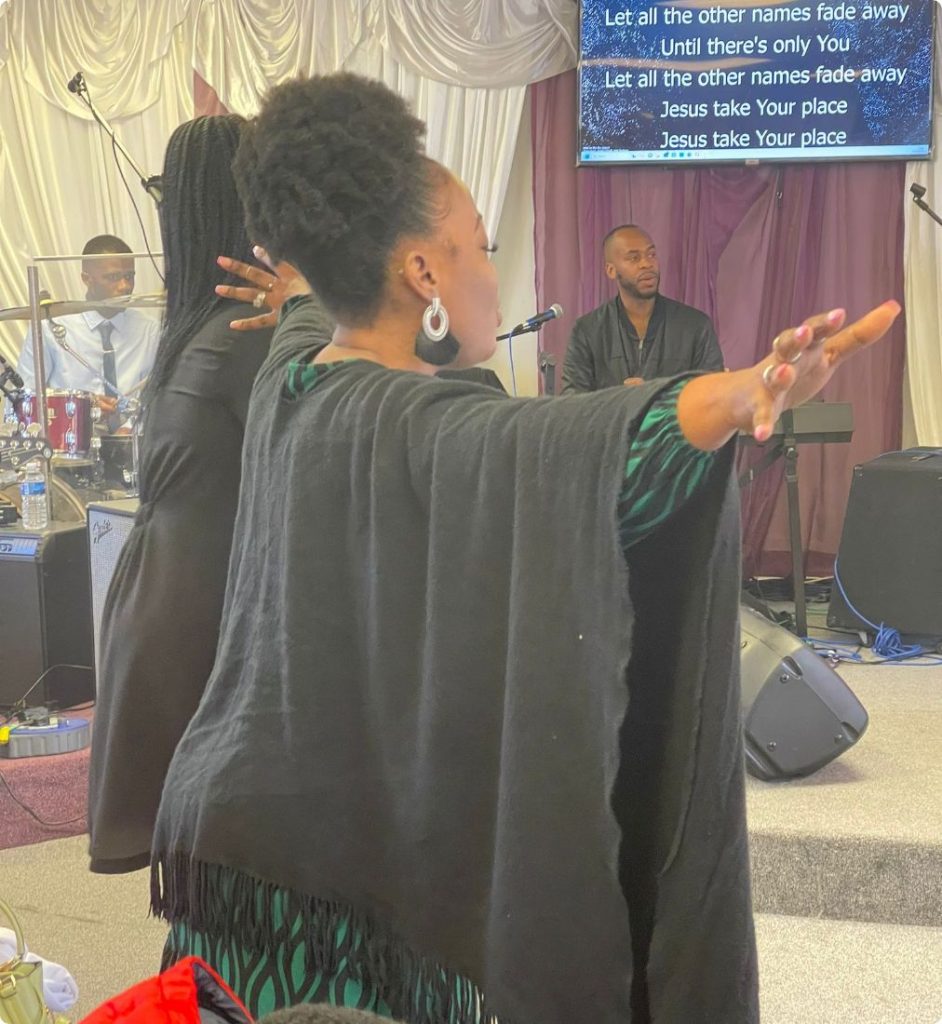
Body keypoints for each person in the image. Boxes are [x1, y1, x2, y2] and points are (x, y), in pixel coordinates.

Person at [149, 73, 899, 1024]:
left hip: (238, 848)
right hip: (326, 892)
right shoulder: (419, 422)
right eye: (480, 247)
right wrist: (744, 390)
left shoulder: (293, 374)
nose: (489, 272)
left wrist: (300, 266)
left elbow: (309, 302)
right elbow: (578, 447)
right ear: (423, 274)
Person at [87, 116, 332, 875]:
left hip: (166, 598)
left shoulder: (199, 325)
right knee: (237, 865)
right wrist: (313, 307)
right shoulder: (249, 330)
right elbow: (334, 448)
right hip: (207, 611)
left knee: (207, 870)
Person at [561, 224, 724, 393]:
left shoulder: (695, 326)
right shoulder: (587, 331)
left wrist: (655, 398)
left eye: (651, 255)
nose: (646, 264)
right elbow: (572, 402)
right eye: (634, 258)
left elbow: (713, 396)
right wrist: (618, 399)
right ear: (611, 270)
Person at [16, 234, 159, 418]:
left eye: (129, 276)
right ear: (86, 279)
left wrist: (131, 426)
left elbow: (160, 396)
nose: (125, 286)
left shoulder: (150, 331)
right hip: (73, 433)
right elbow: (22, 401)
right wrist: (79, 406)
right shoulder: (50, 329)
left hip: (136, 434)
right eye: (113, 277)